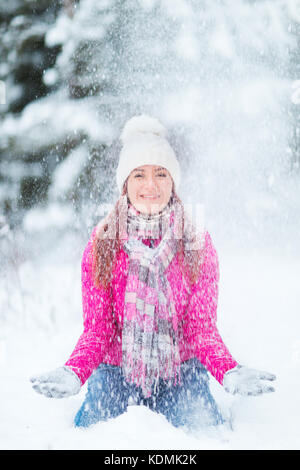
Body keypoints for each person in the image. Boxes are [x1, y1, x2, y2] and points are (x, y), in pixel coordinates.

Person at [30, 115, 276, 431]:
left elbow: (200, 327)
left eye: (161, 173)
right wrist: (74, 371)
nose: (150, 185)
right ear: (125, 185)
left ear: (173, 182)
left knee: (205, 435)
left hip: (181, 372)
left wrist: (228, 370)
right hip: (116, 374)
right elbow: (99, 327)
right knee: (89, 437)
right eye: (139, 175)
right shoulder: (103, 242)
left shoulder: (196, 241)